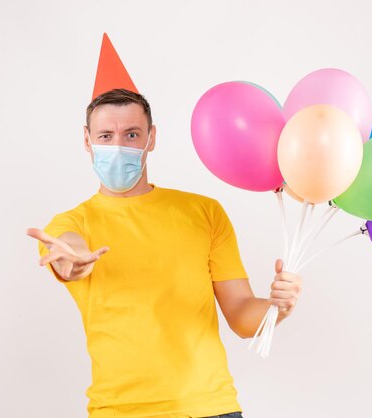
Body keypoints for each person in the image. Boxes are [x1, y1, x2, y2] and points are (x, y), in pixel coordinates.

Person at [26, 34, 302, 418]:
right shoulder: (71, 225)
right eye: (105, 136)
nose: (117, 145)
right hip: (120, 411)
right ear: (87, 141)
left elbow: (241, 317)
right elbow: (67, 253)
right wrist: (70, 260)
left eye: (132, 135)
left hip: (210, 408)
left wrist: (278, 307)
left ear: (151, 138)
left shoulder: (204, 212)